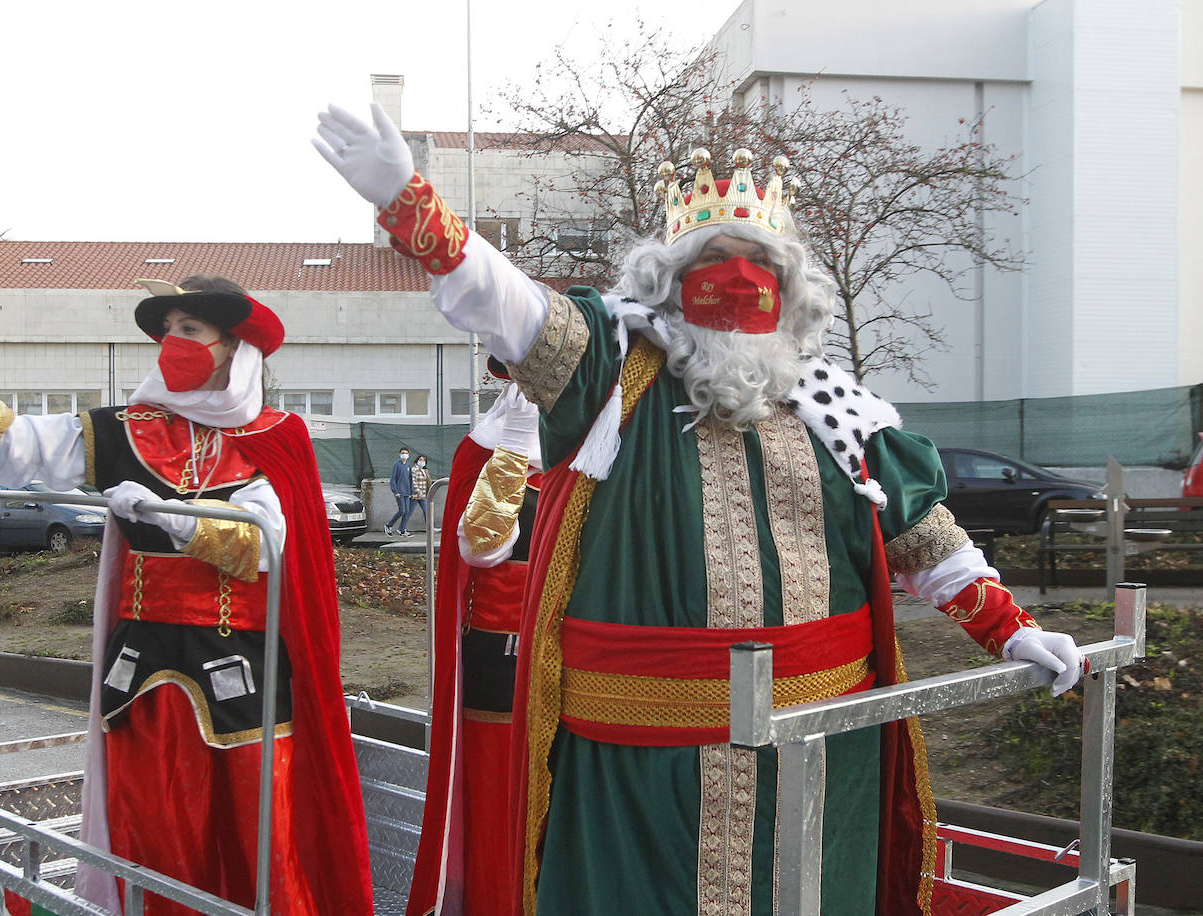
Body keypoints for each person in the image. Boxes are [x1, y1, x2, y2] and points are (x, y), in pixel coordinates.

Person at [314, 103, 1085, 915]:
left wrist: (1013, 629)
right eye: (716, 259)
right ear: (668, 278)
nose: (741, 277)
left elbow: (929, 542)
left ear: (790, 288)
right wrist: (410, 202)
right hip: (640, 764)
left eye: (761, 262)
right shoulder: (607, 370)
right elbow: (502, 302)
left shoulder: (841, 410)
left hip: (820, 760)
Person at [0, 276, 372, 915]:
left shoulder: (274, 436)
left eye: (192, 330)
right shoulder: (127, 429)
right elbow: (23, 447)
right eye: (169, 330)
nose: (173, 343)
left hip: (242, 661)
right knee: (152, 823)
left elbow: (269, 544)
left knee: (258, 825)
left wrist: (173, 519)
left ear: (232, 348)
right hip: (143, 662)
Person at [407, 364, 541, 916]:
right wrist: (513, 450)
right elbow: (480, 545)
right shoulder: (495, 458)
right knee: (499, 800)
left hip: (571, 665)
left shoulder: (592, 460)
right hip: (502, 663)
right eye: (523, 383)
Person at [387, 446, 414, 536]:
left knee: (407, 511)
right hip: (399, 492)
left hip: (407, 492)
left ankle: (402, 529)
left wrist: (411, 491)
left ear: (408, 455)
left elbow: (410, 479)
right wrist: (395, 491)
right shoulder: (396, 464)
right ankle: (389, 525)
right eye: (403, 453)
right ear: (399, 454)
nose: (404, 455)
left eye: (406, 453)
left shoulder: (409, 465)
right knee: (402, 510)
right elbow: (393, 479)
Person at [407, 453, 432, 532]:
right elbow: (414, 482)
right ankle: (402, 527)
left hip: (423, 495)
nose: (422, 462)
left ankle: (430, 528)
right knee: (409, 512)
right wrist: (417, 492)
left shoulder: (424, 470)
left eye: (424, 460)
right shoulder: (414, 469)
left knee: (426, 511)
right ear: (417, 461)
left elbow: (428, 482)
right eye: (420, 460)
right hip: (416, 495)